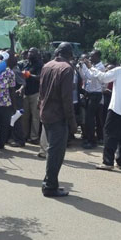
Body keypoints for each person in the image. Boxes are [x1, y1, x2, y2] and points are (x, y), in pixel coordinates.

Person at [82, 53, 121, 170]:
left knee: (110, 134)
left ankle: (108, 162)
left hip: (116, 108)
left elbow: (103, 77)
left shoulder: (119, 70)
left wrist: (91, 67)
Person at [39, 42, 77, 197]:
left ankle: (49, 182)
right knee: (56, 152)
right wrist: (73, 122)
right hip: (58, 116)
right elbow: (66, 99)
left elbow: (41, 91)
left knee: (52, 150)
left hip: (46, 113)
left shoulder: (47, 65)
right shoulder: (67, 69)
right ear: (69, 54)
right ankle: (50, 186)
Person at [79, 50, 106, 148]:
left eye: (92, 56)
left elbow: (91, 76)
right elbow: (85, 77)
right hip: (89, 94)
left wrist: (87, 66)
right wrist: (82, 67)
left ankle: (92, 141)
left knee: (90, 119)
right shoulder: (93, 67)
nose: (90, 58)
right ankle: (89, 138)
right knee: (88, 119)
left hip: (96, 94)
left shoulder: (101, 67)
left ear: (98, 57)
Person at [20, 48, 43, 144]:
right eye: (29, 52)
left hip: (35, 93)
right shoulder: (25, 64)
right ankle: (24, 135)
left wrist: (29, 75)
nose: (30, 53)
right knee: (24, 116)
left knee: (35, 117)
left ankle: (34, 137)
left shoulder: (40, 64)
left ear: (37, 54)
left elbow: (40, 77)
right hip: (25, 92)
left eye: (32, 52)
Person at [0, 52, 17, 149]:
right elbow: (12, 90)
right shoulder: (10, 72)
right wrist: (14, 105)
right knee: (4, 125)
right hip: (5, 101)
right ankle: (1, 144)